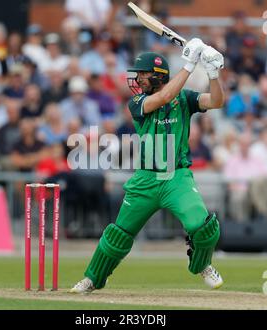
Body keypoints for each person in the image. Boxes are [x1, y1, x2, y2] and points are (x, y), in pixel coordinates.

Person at [70, 38, 225, 293]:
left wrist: (213, 73)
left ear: (158, 75)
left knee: (203, 227)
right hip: (145, 180)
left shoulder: (185, 99)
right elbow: (164, 96)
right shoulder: (138, 103)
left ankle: (202, 264)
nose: (138, 79)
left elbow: (216, 101)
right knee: (118, 235)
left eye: (143, 74)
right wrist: (188, 64)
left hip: (177, 177)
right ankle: (93, 278)